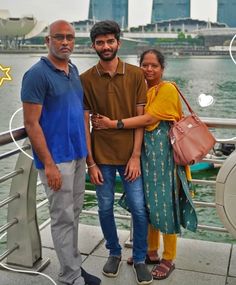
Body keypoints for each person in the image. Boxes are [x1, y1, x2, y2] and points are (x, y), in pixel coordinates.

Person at [92, 49, 198, 280]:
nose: (149, 70)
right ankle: (150, 252)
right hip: (146, 158)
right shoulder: (141, 89)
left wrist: (112, 124)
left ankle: (168, 258)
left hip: (166, 159)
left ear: (162, 69)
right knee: (149, 205)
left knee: (167, 205)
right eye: (145, 65)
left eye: (154, 66)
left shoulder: (167, 89)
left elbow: (149, 119)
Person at [21, 20, 101, 285]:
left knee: (74, 214)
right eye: (59, 37)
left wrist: (88, 158)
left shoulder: (72, 69)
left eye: (69, 37)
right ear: (48, 41)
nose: (65, 42)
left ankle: (74, 267)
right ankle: (69, 276)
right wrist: (49, 164)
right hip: (58, 160)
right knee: (62, 217)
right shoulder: (36, 74)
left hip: (77, 155)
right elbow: (31, 124)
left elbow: (77, 114)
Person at [80, 20, 153, 285]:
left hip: (130, 156)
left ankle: (141, 258)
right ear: (93, 46)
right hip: (101, 157)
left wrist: (135, 156)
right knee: (104, 206)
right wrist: (91, 163)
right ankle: (114, 251)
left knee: (138, 208)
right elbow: (84, 123)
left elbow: (141, 119)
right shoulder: (85, 79)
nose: (106, 46)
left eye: (110, 41)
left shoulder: (136, 75)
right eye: (100, 42)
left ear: (118, 43)